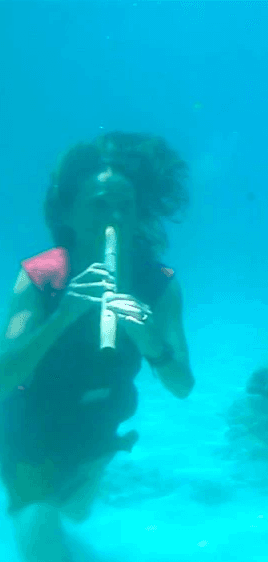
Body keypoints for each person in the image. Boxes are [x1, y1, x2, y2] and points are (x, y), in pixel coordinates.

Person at [0, 132, 195, 561]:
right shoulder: (41, 275)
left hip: (98, 431)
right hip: (30, 433)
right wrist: (63, 316)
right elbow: (3, 380)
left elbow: (182, 385)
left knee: (71, 516)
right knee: (41, 544)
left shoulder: (159, 284)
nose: (116, 218)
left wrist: (150, 340)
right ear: (67, 213)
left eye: (127, 205)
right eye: (100, 205)